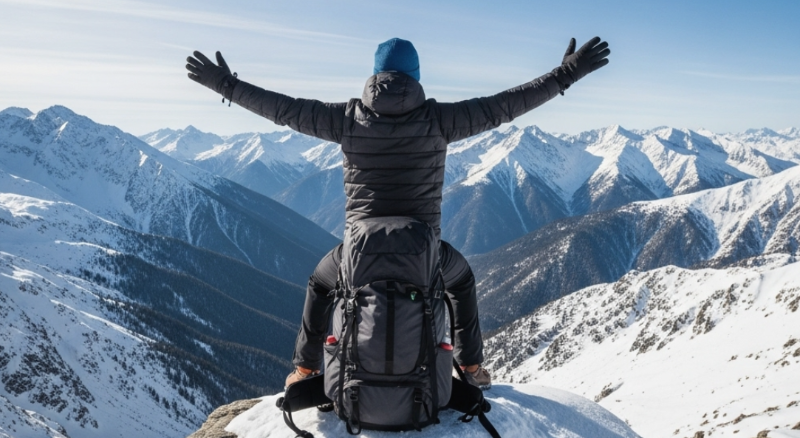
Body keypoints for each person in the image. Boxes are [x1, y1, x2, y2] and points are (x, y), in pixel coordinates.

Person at [186, 36, 610, 391]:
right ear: (416, 77)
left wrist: (225, 84)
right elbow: (506, 105)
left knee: (319, 283)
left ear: (374, 76)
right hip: (425, 254)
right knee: (460, 283)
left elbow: (280, 108)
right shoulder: (441, 120)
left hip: (357, 254)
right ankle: (473, 368)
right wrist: (566, 74)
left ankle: (305, 369)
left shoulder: (346, 119)